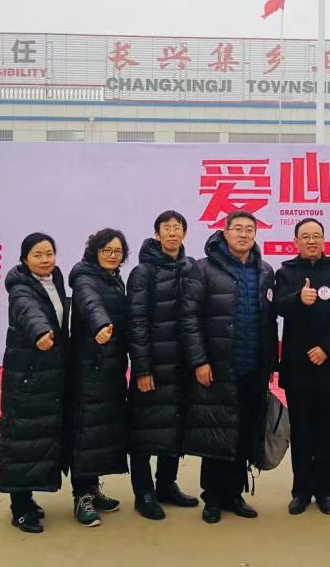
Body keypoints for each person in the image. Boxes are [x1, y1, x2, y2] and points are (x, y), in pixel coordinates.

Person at [182, 210, 278, 524]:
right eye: (237, 228)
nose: (243, 234)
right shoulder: (204, 268)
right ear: (224, 232)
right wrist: (199, 361)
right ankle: (212, 497)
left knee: (245, 432)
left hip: (253, 369)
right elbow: (190, 318)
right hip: (218, 366)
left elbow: (269, 321)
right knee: (215, 433)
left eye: (249, 229)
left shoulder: (264, 270)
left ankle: (235, 494)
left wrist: (270, 364)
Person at [274, 218, 330, 515]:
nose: (311, 241)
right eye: (305, 236)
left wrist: (326, 349)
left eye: (316, 236)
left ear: (323, 240)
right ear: (295, 242)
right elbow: (276, 307)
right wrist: (299, 298)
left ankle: (325, 491)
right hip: (297, 367)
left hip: (328, 366)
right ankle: (301, 491)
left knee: (326, 432)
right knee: (301, 432)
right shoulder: (285, 273)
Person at [0, 233, 69, 534]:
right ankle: (20, 509)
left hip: (47, 373)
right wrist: (40, 332)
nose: (45, 259)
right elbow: (29, 311)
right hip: (26, 375)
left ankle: (27, 499)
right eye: (38, 255)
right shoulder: (21, 287)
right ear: (25, 259)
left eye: (49, 253)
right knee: (22, 441)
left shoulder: (55, 279)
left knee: (37, 440)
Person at [127, 210, 199, 520]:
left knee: (174, 427)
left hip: (181, 366)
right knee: (144, 431)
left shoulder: (192, 267)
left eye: (177, 227)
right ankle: (143, 493)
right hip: (153, 366)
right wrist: (142, 368)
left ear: (184, 233)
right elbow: (136, 322)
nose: (172, 233)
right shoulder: (143, 272)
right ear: (157, 234)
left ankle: (166, 485)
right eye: (166, 228)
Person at [68, 228, 130, 527]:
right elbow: (91, 304)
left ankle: (92, 488)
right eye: (107, 250)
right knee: (85, 430)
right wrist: (100, 325)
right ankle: (81, 495)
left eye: (118, 251)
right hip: (88, 367)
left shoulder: (114, 279)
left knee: (99, 430)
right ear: (95, 251)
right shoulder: (84, 277)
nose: (113, 255)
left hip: (110, 366)